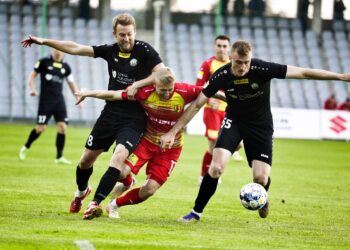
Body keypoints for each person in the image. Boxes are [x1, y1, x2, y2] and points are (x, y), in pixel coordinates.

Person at [160, 40, 350, 221]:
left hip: (260, 125)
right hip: (234, 121)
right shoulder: (221, 75)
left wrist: (340, 76)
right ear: (230, 58)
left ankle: (263, 196)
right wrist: (173, 132)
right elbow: (196, 105)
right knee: (216, 167)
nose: (242, 67)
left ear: (250, 59)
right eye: (237, 63)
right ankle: (196, 212)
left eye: (246, 62)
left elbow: (303, 73)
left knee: (260, 177)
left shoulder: (263, 69)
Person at [21, 13, 164, 220]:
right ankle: (81, 192)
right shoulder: (109, 51)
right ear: (115, 35)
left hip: (135, 117)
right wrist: (43, 41)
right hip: (110, 113)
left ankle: (95, 202)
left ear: (135, 32)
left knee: (119, 156)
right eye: (122, 35)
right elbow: (76, 48)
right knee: (85, 162)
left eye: (130, 34)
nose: (127, 39)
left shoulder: (144, 50)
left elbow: (161, 73)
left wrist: (138, 85)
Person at [74, 67, 224, 219]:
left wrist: (232, 99)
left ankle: (115, 204)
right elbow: (114, 94)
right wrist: (88, 93)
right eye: (162, 90)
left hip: (171, 149)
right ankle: (128, 181)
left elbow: (211, 91)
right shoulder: (144, 92)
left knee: (150, 190)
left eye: (169, 90)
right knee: (120, 173)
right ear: (154, 85)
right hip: (146, 143)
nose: (166, 94)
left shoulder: (184, 91)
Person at [195, 35, 243, 185]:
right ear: (214, 46)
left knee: (239, 142)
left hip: (230, 110)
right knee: (214, 144)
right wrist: (209, 98)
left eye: (224, 46)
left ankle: (231, 151)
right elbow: (199, 86)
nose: (221, 49)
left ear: (229, 48)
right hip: (212, 111)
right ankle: (205, 175)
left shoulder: (234, 64)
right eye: (219, 46)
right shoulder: (208, 64)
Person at [18, 49, 80, 164]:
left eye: (61, 50)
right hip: (45, 101)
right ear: (52, 50)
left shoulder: (66, 67)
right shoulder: (44, 62)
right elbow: (32, 76)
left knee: (62, 127)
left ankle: (59, 157)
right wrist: (32, 89)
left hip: (59, 101)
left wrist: (78, 97)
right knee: (40, 128)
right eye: (56, 49)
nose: (58, 52)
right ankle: (26, 147)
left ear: (64, 52)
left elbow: (71, 83)